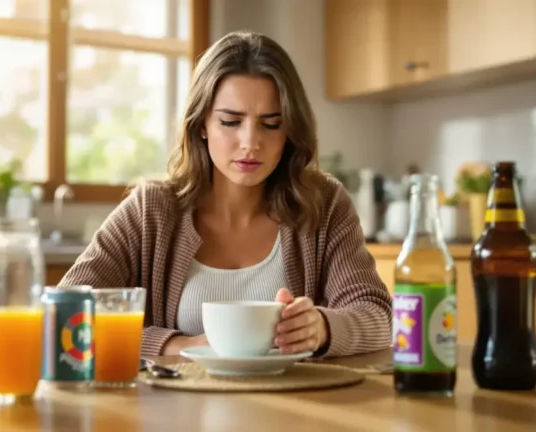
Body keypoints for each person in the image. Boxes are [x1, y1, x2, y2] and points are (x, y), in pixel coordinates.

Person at [59, 30, 393, 358]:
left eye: (271, 124)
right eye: (231, 122)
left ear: (290, 129)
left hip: (294, 407)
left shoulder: (324, 203)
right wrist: (174, 346)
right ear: (202, 123)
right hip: (175, 410)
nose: (251, 142)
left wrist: (323, 327)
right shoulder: (151, 211)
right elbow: (66, 312)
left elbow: (379, 316)